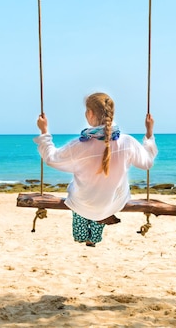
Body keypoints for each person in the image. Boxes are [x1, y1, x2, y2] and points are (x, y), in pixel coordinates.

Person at [34, 92, 157, 247]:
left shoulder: (78, 146)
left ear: (90, 113)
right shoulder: (128, 142)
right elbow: (147, 163)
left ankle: (86, 230)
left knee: (80, 203)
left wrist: (44, 131)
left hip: (83, 204)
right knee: (103, 198)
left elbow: (51, 158)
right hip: (113, 203)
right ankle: (99, 222)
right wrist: (149, 133)